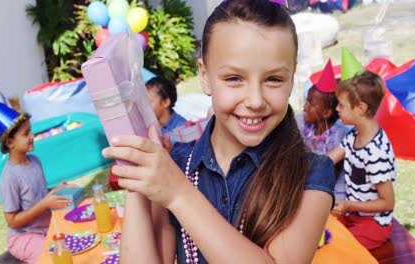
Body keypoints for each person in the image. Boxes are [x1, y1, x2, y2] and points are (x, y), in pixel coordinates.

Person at [103, 1, 335, 263]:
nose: (256, 100)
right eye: (234, 78)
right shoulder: (177, 167)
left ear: (292, 78)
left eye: (274, 79)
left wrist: (180, 195)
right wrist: (137, 176)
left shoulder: (310, 172)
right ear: (204, 76)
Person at [0, 103, 72, 264]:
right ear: (10, 143)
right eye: (26, 134)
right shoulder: (9, 178)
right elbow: (12, 221)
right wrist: (45, 204)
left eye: (30, 131)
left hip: (45, 229)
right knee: (56, 259)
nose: (32, 136)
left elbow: (38, 194)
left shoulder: (34, 161)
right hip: (23, 237)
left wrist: (57, 190)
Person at [327, 70, 396, 250]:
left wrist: (349, 205)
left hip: (374, 223)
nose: (336, 109)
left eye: (341, 105)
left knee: (337, 250)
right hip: (353, 214)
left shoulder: (376, 153)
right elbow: (327, 160)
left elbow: (387, 202)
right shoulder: (354, 136)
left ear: (361, 109)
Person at [296, 59, 349, 199]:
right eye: (306, 101)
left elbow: (333, 171)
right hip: (304, 177)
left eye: (310, 104)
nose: (305, 107)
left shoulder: (339, 135)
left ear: (326, 113)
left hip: (331, 186)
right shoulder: (301, 121)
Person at [146, 76, 187, 144]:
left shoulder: (185, 130)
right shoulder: (147, 124)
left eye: (148, 102)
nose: (144, 107)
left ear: (165, 102)